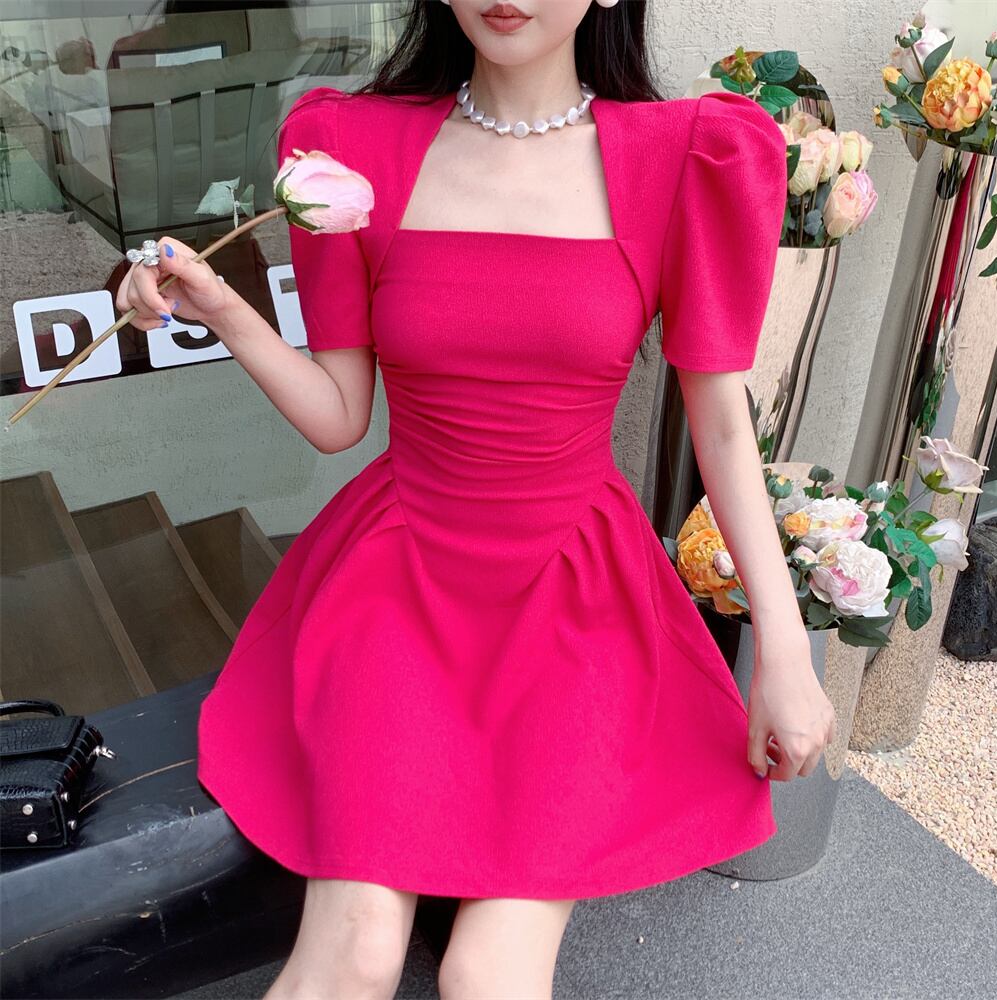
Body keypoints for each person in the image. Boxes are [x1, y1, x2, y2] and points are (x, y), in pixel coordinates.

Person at [116, 2, 837, 997]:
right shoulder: (353, 150)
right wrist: (221, 306)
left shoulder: (681, 156)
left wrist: (784, 652)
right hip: (397, 589)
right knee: (354, 955)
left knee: (486, 975)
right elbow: (339, 416)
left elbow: (721, 431)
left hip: (574, 605)